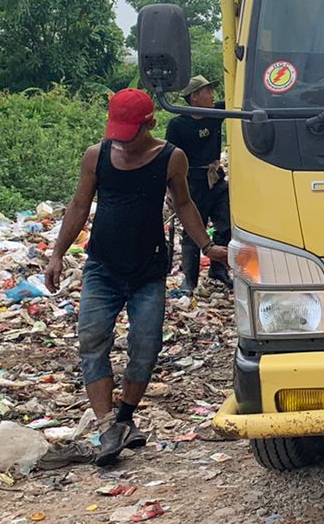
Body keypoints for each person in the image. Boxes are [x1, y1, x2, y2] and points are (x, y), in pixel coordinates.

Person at [44, 89, 230, 465]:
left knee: (145, 346)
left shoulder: (170, 158)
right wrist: (57, 253)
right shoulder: (97, 156)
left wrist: (207, 246)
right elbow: (80, 205)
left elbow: (184, 204)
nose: (121, 139)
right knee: (92, 340)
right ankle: (106, 425)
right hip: (102, 267)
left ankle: (125, 417)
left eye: (129, 130)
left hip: (148, 269)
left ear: (149, 124)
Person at [165, 75, 232, 291]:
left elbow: (238, 101)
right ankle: (190, 279)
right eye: (207, 91)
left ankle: (218, 270)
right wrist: (170, 189)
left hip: (216, 178)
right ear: (194, 97)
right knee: (194, 230)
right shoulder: (178, 124)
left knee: (226, 224)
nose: (213, 95)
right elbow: (169, 158)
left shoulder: (216, 114)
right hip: (192, 181)